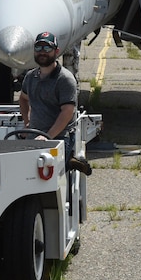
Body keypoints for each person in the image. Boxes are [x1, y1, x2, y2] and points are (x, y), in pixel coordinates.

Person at [19, 31, 91, 174]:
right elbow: (23, 98)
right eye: (38, 48)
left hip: (59, 135)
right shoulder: (30, 77)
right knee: (23, 169)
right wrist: (26, 121)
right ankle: (68, 161)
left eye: (47, 48)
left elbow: (67, 112)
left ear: (56, 51)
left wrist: (48, 136)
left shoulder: (65, 79)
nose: (42, 52)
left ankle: (69, 161)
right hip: (35, 133)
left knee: (46, 171)